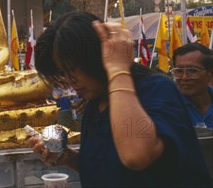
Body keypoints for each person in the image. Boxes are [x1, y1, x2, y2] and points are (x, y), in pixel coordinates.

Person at [28, 11, 212, 187]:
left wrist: (117, 69)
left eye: (73, 68)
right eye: (63, 72)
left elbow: (136, 155)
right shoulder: (96, 104)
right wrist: (68, 158)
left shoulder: (155, 89)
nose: (70, 80)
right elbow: (113, 171)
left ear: (96, 55)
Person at [172, 43, 213, 128]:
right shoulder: (166, 108)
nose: (184, 78)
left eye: (193, 71)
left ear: (210, 74)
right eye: (179, 71)